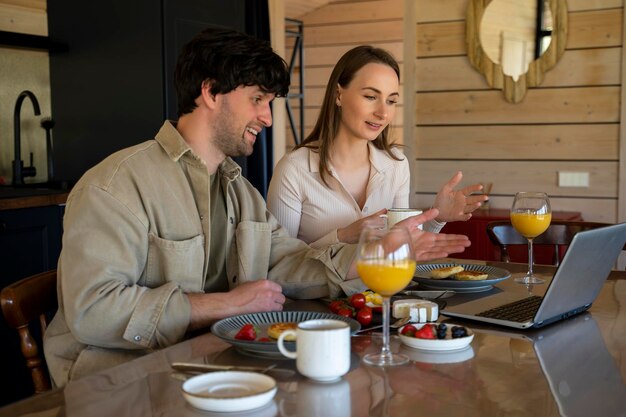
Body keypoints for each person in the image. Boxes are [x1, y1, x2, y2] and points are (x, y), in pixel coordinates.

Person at [43, 29, 470, 387]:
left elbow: (290, 263)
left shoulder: (239, 191)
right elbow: (92, 311)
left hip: (211, 363)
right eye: (258, 100)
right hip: (123, 382)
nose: (267, 118)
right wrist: (224, 304)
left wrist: (379, 252)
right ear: (210, 92)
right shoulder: (116, 184)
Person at [267, 46, 487, 248]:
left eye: (391, 101)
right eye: (371, 97)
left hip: (383, 291)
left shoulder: (397, 165)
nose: (382, 113)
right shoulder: (294, 169)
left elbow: (403, 246)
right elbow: (277, 262)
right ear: (338, 95)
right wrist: (341, 236)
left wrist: (437, 217)